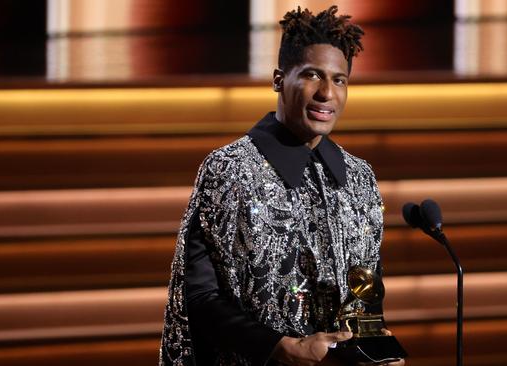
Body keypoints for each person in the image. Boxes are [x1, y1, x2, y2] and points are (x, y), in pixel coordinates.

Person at [159, 6, 403, 366]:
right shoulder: (229, 169)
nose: (326, 93)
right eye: (312, 75)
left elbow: (367, 294)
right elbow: (200, 298)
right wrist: (277, 347)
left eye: (339, 80)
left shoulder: (359, 177)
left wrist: (378, 353)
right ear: (278, 79)